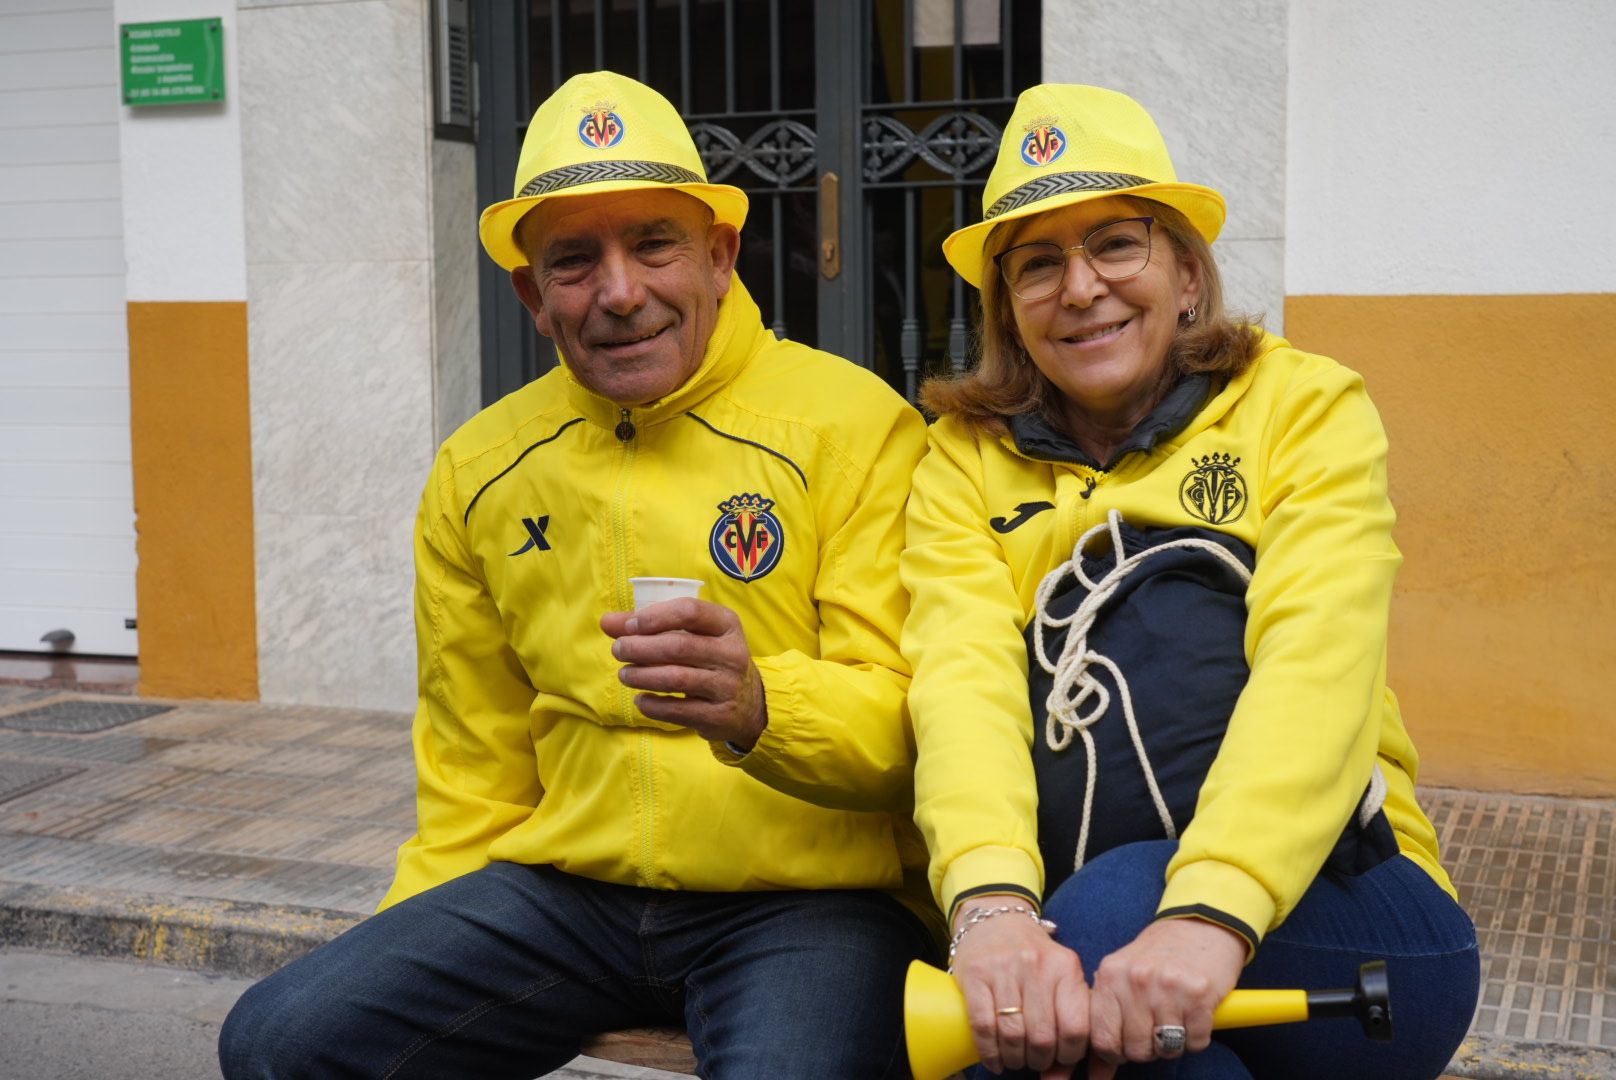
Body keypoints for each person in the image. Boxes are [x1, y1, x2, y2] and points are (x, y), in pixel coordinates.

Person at [219, 70, 938, 1079]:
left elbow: (921, 728)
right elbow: (474, 763)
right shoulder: (481, 466)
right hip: (565, 894)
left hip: (808, 902)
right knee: (280, 1042)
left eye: (653, 243)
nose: (618, 292)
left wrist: (759, 703)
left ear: (720, 255)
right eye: (572, 260)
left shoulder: (854, 427)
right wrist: (414, 940)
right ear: (530, 291)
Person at [901, 84, 1480, 1079]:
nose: (1079, 288)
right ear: (1004, 307)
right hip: (1100, 931)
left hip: (1346, 919)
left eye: (1114, 245)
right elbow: (961, 688)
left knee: (1095, 930)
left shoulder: (1301, 406)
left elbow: (1316, 665)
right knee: (1053, 995)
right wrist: (989, 910)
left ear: (1184, 271)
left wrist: (1209, 910)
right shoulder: (960, 459)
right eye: (1036, 263)